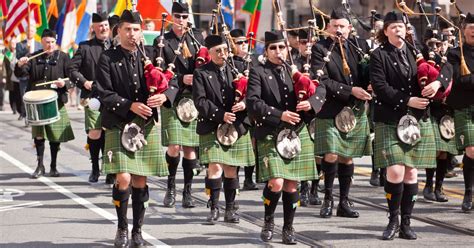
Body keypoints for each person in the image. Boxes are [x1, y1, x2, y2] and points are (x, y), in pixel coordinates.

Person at [95, 10, 170, 247]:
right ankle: (121, 228)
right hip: (118, 121)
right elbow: (104, 93)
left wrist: (165, 97)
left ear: (141, 31)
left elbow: (172, 81)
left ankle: (138, 230)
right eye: (127, 29)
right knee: (124, 177)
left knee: (140, 180)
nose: (132, 34)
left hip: (145, 124)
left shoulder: (153, 55)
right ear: (118, 31)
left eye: (136, 29)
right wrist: (130, 106)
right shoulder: (107, 57)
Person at [247, 30, 324, 245]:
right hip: (272, 131)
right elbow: (253, 103)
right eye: (273, 48)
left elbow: (321, 89)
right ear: (266, 50)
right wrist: (279, 114)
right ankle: (269, 220)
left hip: (296, 133)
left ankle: (288, 227)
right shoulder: (258, 71)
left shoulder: (299, 69)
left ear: (287, 48)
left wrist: (312, 103)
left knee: (292, 185)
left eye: (281, 47)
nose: (278, 51)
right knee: (276, 182)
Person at [370, 11, 438, 240]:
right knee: (396, 170)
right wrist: (406, 99)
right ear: (385, 31)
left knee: (411, 173)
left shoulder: (416, 52)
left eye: (401, 26)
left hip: (415, 119)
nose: (398, 30)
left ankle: (406, 223)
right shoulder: (379, 55)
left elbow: (441, 69)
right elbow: (379, 86)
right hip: (390, 116)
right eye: (393, 27)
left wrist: (437, 84)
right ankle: (393, 220)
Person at [311, 8, 372, 218]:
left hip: (354, 109)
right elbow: (322, 80)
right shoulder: (320, 48)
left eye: (342, 26)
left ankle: (343, 201)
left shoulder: (361, 46)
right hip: (330, 108)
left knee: (347, 157)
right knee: (331, 154)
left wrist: (371, 85)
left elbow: (368, 73)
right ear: (328, 27)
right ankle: (328, 197)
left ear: (349, 28)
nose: (338, 30)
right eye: (334, 26)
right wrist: (349, 90)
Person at [193, 34, 255, 224]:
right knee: (215, 166)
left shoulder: (240, 69)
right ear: (209, 53)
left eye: (225, 50)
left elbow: (253, 93)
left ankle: (230, 209)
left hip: (236, 126)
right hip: (212, 124)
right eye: (218, 51)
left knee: (231, 169)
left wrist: (244, 104)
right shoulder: (201, 73)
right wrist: (221, 115)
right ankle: (213, 207)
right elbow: (200, 102)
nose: (222, 54)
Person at [153, 2, 205, 208]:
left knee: (191, 149)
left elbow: (206, 66)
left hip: (193, 100)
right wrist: (182, 79)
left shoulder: (197, 39)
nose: (181, 20)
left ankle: (188, 191)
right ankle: (171, 186)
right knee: (174, 146)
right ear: (171, 16)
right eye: (177, 16)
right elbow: (160, 74)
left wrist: (198, 79)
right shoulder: (161, 41)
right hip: (172, 98)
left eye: (184, 16)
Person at [15, 29, 75, 179]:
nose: (50, 45)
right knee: (39, 136)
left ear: (56, 42)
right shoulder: (32, 57)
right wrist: (20, 64)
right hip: (37, 102)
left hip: (56, 101)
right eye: (47, 42)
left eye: (53, 42)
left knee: (55, 136)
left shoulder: (64, 57)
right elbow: (21, 74)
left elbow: (73, 78)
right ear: (41, 42)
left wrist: (64, 83)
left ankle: (53, 166)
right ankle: (40, 165)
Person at [69, 12, 112, 183]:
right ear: (94, 28)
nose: (103, 29)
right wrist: (84, 82)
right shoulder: (85, 47)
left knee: (110, 134)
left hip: (113, 97)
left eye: (106, 25)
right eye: (100, 26)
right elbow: (72, 69)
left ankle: (110, 170)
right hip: (93, 96)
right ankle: (95, 167)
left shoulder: (116, 46)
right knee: (95, 133)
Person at [420, 29, 457, 202]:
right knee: (434, 151)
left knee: (444, 151)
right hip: (430, 110)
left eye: (440, 44)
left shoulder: (449, 62)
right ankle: (428, 185)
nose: (437, 47)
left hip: (446, 111)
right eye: (433, 44)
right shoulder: (423, 61)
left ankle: (438, 187)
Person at [446, 12, 474, 213]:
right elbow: (459, 79)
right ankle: (468, 192)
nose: (473, 31)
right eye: (470, 27)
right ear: (463, 31)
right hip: (464, 106)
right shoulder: (455, 54)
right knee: (472, 150)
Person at [295, 28, 323, 206]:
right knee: (303, 153)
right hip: (298, 113)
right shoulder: (292, 63)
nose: (307, 46)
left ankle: (315, 188)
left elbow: (322, 87)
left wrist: (313, 103)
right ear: (298, 43)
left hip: (317, 112)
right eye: (304, 43)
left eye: (311, 43)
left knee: (318, 154)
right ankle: (303, 188)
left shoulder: (320, 63)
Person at [229, 28, 258, 190]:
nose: (244, 45)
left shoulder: (254, 61)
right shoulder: (229, 61)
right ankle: (235, 177)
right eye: (239, 43)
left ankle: (248, 178)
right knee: (237, 142)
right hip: (234, 108)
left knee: (252, 144)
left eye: (245, 42)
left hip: (252, 107)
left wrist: (247, 102)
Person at [16, 25, 42, 123]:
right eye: (28, 30)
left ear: (35, 32)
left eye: (32, 30)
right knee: (25, 97)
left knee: (35, 97)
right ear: (25, 32)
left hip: (35, 76)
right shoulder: (20, 45)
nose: (30, 32)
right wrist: (27, 50)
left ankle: (34, 115)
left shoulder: (39, 44)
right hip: (24, 76)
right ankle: (26, 115)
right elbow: (19, 57)